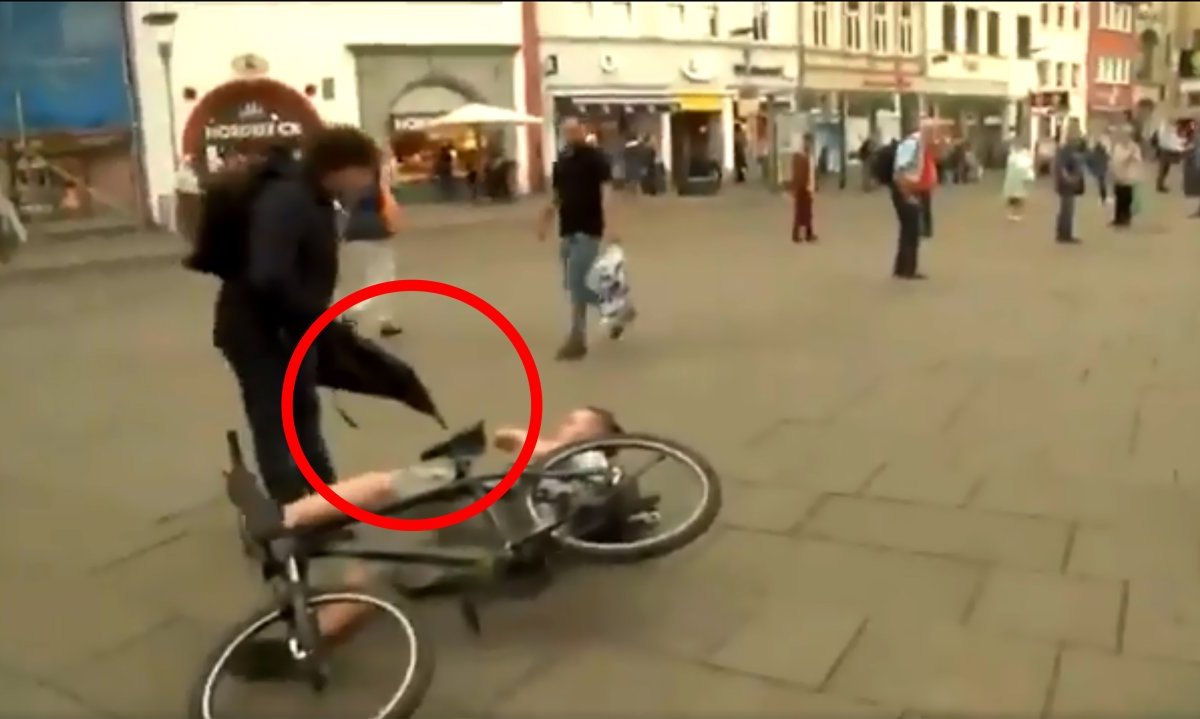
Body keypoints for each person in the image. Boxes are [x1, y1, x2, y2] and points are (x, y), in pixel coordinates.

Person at [228, 407, 625, 681]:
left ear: (597, 435)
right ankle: (312, 637)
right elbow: (511, 442)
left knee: (391, 490)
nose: (566, 424)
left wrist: (535, 441)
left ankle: (287, 523)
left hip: (490, 517)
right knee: (380, 557)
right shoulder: (574, 466)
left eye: (576, 421)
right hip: (484, 514)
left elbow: (512, 440)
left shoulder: (591, 463)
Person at [213, 127, 381, 506]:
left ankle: (324, 499)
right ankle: (293, 509)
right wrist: (313, 315)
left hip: (290, 329)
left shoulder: (313, 198)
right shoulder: (288, 200)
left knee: (303, 411)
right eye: (367, 172)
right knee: (274, 417)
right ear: (342, 168)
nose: (369, 183)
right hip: (259, 332)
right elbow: (268, 275)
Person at [538, 117, 635, 361]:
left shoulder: (595, 158)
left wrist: (611, 225)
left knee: (578, 283)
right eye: (566, 131)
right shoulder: (562, 161)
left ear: (583, 131)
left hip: (588, 228)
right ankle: (620, 308)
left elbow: (607, 192)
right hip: (567, 229)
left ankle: (577, 339)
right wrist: (546, 219)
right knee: (574, 285)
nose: (571, 134)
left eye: (575, 130)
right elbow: (557, 195)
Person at [341, 152, 404, 338]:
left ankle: (386, 320)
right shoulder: (375, 181)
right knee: (382, 278)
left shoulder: (349, 182)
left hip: (353, 229)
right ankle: (351, 310)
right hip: (375, 229)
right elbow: (388, 202)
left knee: (377, 275)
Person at [890, 121, 933, 280]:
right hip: (905, 189)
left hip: (909, 188)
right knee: (911, 230)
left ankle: (902, 268)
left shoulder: (919, 144)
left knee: (908, 230)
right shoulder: (912, 144)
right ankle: (908, 269)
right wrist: (906, 193)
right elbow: (900, 168)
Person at [1053, 122, 1085, 244]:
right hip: (1066, 183)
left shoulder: (1076, 147)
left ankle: (1065, 233)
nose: (1077, 134)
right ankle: (1064, 234)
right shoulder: (1065, 148)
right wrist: (1067, 178)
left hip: (1072, 182)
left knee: (1068, 208)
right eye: (1075, 131)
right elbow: (1061, 166)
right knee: (1066, 208)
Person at [1109, 126, 1142, 229]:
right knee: (1119, 197)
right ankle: (1118, 218)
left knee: (1127, 198)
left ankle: (1126, 218)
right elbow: (1115, 159)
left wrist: (1130, 157)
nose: (1124, 137)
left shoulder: (1134, 147)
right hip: (1118, 175)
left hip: (1128, 176)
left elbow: (1138, 159)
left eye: (1127, 135)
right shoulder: (1118, 146)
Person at [790, 133, 817, 243]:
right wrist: (798, 187)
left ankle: (808, 233)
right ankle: (796, 235)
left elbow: (811, 172)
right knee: (800, 212)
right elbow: (798, 174)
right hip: (802, 188)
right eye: (808, 142)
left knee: (808, 212)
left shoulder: (808, 156)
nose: (810, 145)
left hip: (808, 187)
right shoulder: (800, 157)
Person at [1003, 138, 1035, 221]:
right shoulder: (1021, 157)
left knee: (1013, 198)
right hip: (1018, 180)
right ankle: (1016, 213)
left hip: (1012, 180)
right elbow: (1026, 167)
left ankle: (1012, 213)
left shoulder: (1012, 156)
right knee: (1018, 198)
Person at [1155, 118, 1184, 193]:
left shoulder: (1169, 132)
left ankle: (1160, 185)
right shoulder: (1167, 132)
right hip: (1165, 152)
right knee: (1163, 169)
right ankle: (1159, 185)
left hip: (1166, 152)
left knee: (1165, 169)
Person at [1087, 136, 1111, 206]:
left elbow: (1089, 161)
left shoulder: (1093, 153)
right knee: (1102, 185)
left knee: (1101, 185)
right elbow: (1108, 158)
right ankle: (1103, 199)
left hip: (1098, 170)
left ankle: (1103, 198)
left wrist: (1091, 169)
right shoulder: (1103, 151)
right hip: (1102, 170)